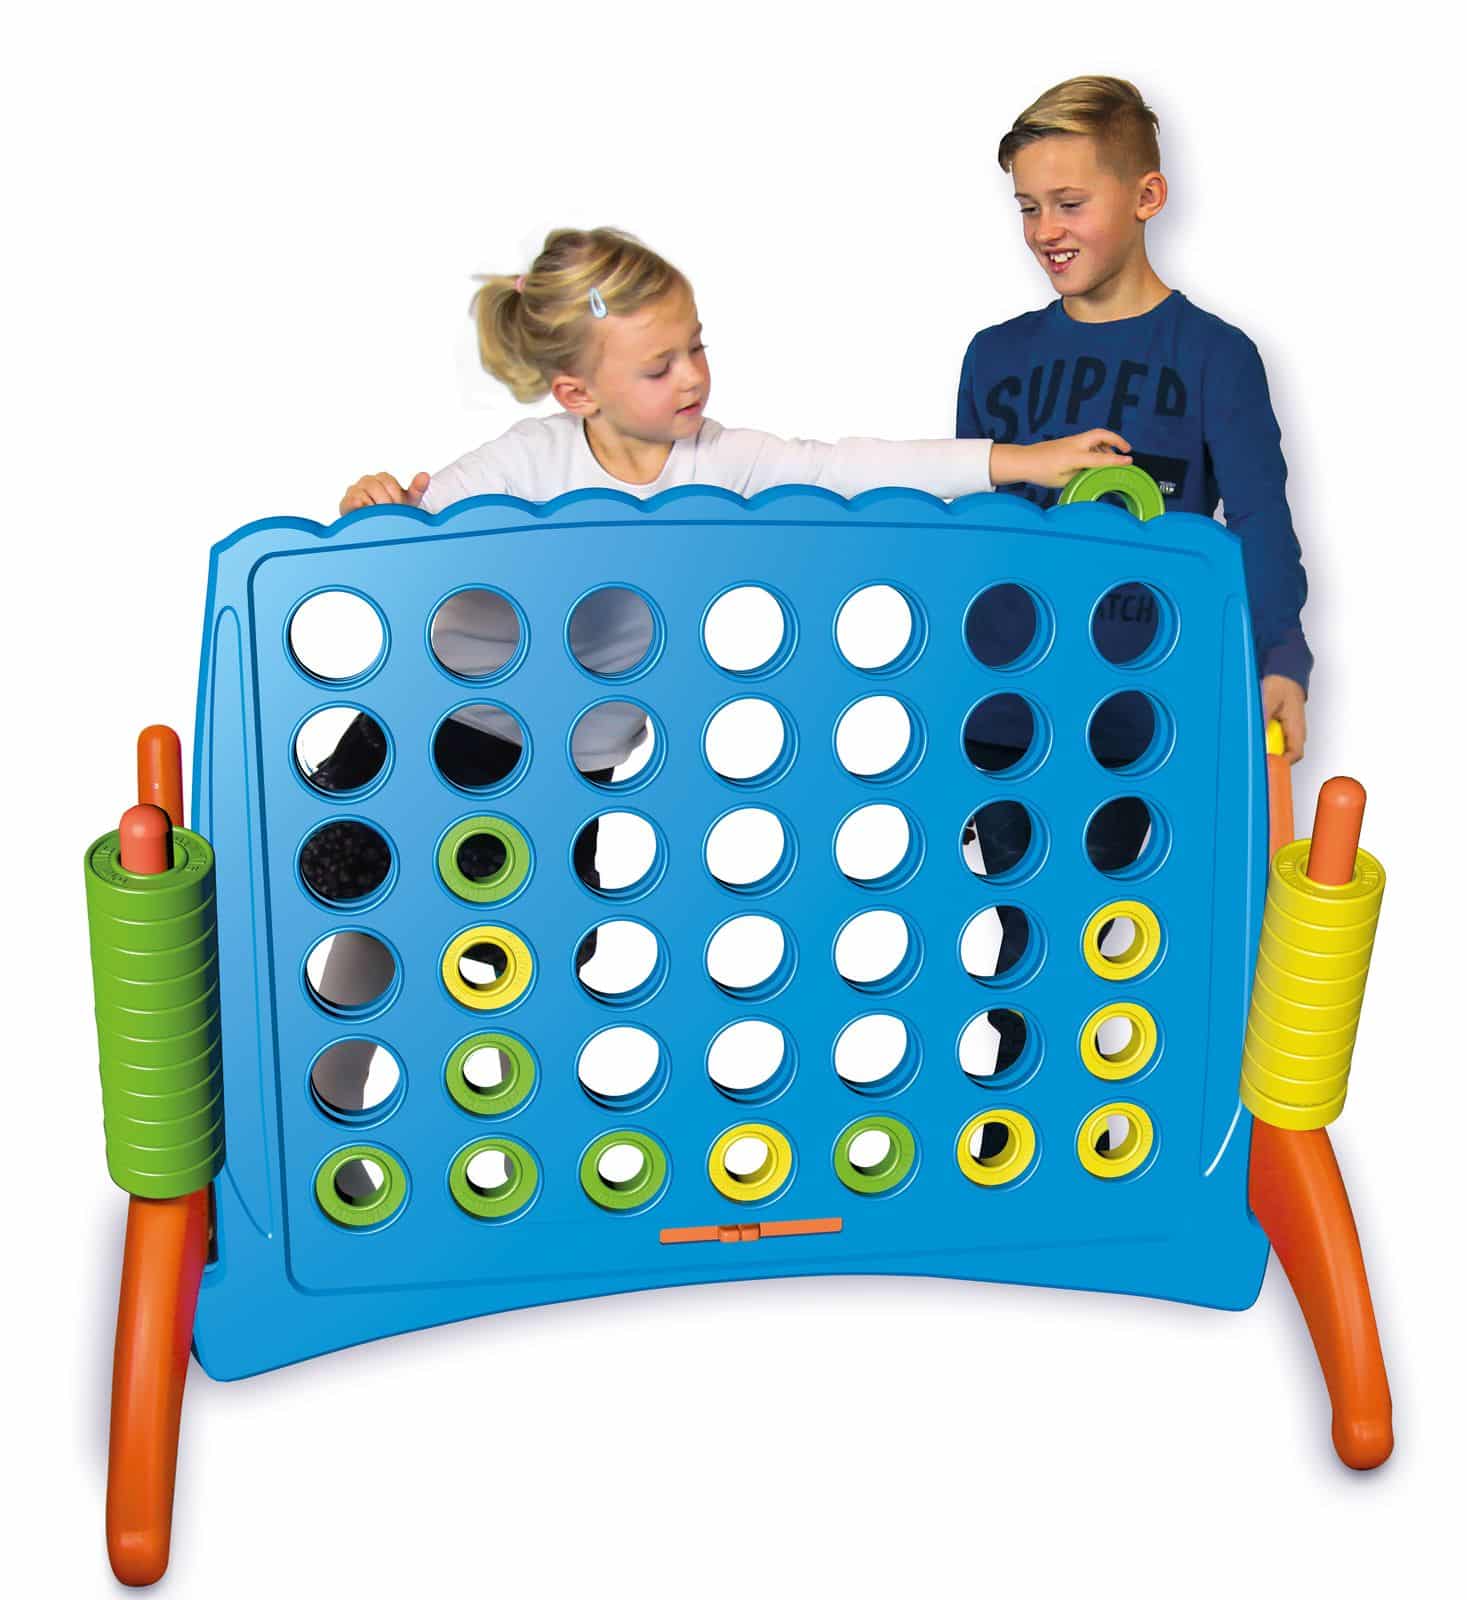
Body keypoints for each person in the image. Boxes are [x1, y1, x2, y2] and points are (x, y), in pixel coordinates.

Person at [328, 226, 1130, 972]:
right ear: (576, 393)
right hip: (435, 730)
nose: (691, 376)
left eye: (696, 347)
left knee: (522, 964)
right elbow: (409, 540)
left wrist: (1018, 460)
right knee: (366, 928)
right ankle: (338, 1071)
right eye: (658, 367)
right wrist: (376, 505)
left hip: (569, 770)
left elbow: (848, 469)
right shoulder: (526, 462)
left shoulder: (713, 460)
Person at [955, 78, 1314, 1070]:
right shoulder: (994, 355)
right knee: (1022, 930)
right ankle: (1012, 1121)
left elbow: (1259, 519)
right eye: (1028, 206)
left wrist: (1280, 655)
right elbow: (976, 527)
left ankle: (1100, 1125)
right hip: (1007, 707)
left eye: (1070, 203)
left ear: (1146, 196)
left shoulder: (1215, 356)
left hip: (1140, 704)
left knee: (1121, 937)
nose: (1045, 230)